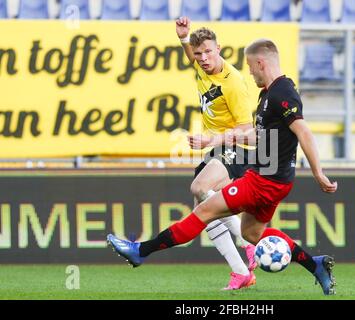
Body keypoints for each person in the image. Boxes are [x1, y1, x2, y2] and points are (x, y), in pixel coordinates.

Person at [107, 39, 338, 295]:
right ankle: (315, 265)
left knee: (203, 210)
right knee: (251, 233)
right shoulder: (268, 96)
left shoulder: (282, 92)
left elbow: (303, 131)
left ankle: (140, 251)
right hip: (271, 179)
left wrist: (318, 172)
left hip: (263, 182)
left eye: (251, 66)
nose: (250, 73)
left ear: (261, 63)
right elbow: (259, 137)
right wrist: (215, 140)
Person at [110, 17, 258, 291]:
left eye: (208, 52)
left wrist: (210, 139)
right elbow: (191, 55)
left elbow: (248, 129)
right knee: (205, 209)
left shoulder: (233, 82)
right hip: (214, 149)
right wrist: (183, 38)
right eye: (198, 53)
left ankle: (249, 244)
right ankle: (241, 272)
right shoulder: (202, 68)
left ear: (219, 49)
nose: (202, 58)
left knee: (200, 187)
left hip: (236, 148)